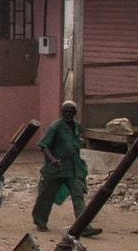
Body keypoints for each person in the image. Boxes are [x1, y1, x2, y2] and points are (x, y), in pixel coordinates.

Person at [34, 100, 102, 235]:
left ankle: (84, 227)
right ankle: (40, 222)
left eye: (71, 112)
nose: (68, 114)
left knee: (78, 195)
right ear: (62, 112)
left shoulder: (77, 127)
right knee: (46, 196)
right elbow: (44, 145)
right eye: (66, 112)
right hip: (55, 169)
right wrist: (52, 160)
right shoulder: (55, 127)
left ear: (75, 112)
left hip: (73, 169)